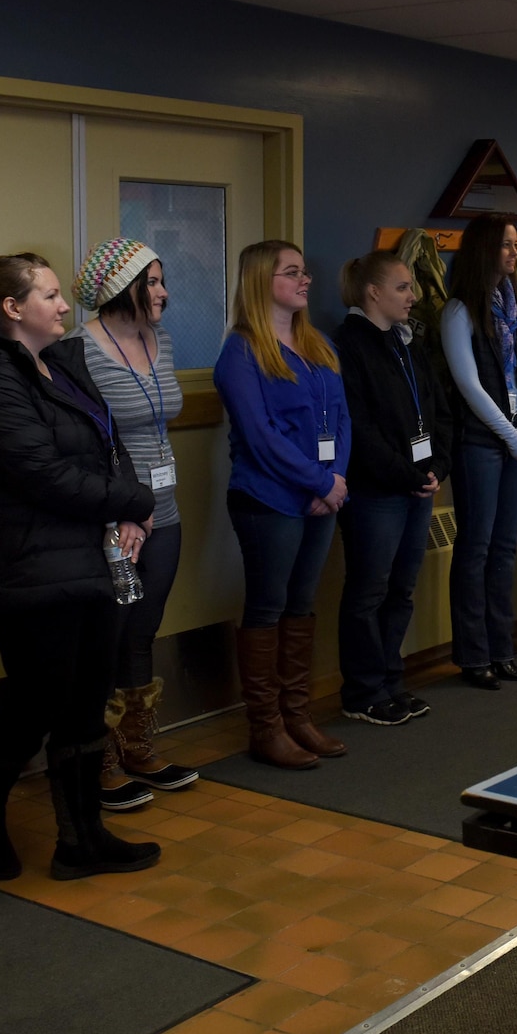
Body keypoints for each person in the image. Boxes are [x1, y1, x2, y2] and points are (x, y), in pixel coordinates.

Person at [0, 253, 162, 882]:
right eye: (51, 295)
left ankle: (82, 839)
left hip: (86, 558)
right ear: (13, 309)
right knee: (37, 704)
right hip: (24, 567)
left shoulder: (59, 363)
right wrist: (134, 502)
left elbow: (107, 443)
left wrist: (125, 506)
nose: (66, 306)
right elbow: (40, 473)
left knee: (87, 702)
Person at [65, 239, 197, 811]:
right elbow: (81, 442)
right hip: (117, 520)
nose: (165, 291)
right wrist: (122, 510)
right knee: (108, 635)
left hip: (164, 511)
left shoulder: (159, 339)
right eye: (154, 281)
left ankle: (138, 745)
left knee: (143, 628)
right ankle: (99, 759)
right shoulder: (77, 350)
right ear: (123, 288)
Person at [215, 240, 351, 769]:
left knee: (302, 604)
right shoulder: (241, 352)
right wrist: (319, 483)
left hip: (321, 495)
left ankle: (298, 717)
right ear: (260, 282)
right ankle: (265, 727)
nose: (305, 279)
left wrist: (335, 479)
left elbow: (341, 418)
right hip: (268, 499)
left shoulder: (318, 344)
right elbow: (259, 436)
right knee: (268, 608)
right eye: (292, 272)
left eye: (305, 270)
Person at [334, 249, 451, 725]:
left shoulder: (408, 342)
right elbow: (359, 427)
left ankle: (390, 680)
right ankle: (362, 691)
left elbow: (437, 408)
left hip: (418, 485)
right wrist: (408, 474)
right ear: (373, 292)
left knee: (402, 589)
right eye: (403, 287)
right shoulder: (348, 344)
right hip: (375, 491)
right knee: (369, 592)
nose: (413, 295)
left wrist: (437, 467)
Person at [442, 214, 517, 690]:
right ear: (485, 250)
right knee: (476, 548)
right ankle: (473, 655)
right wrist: (510, 436)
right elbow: (468, 384)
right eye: (506, 245)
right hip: (483, 444)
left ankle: (501, 648)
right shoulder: (458, 312)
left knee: (505, 548)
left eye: (516, 245)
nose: (514, 253)